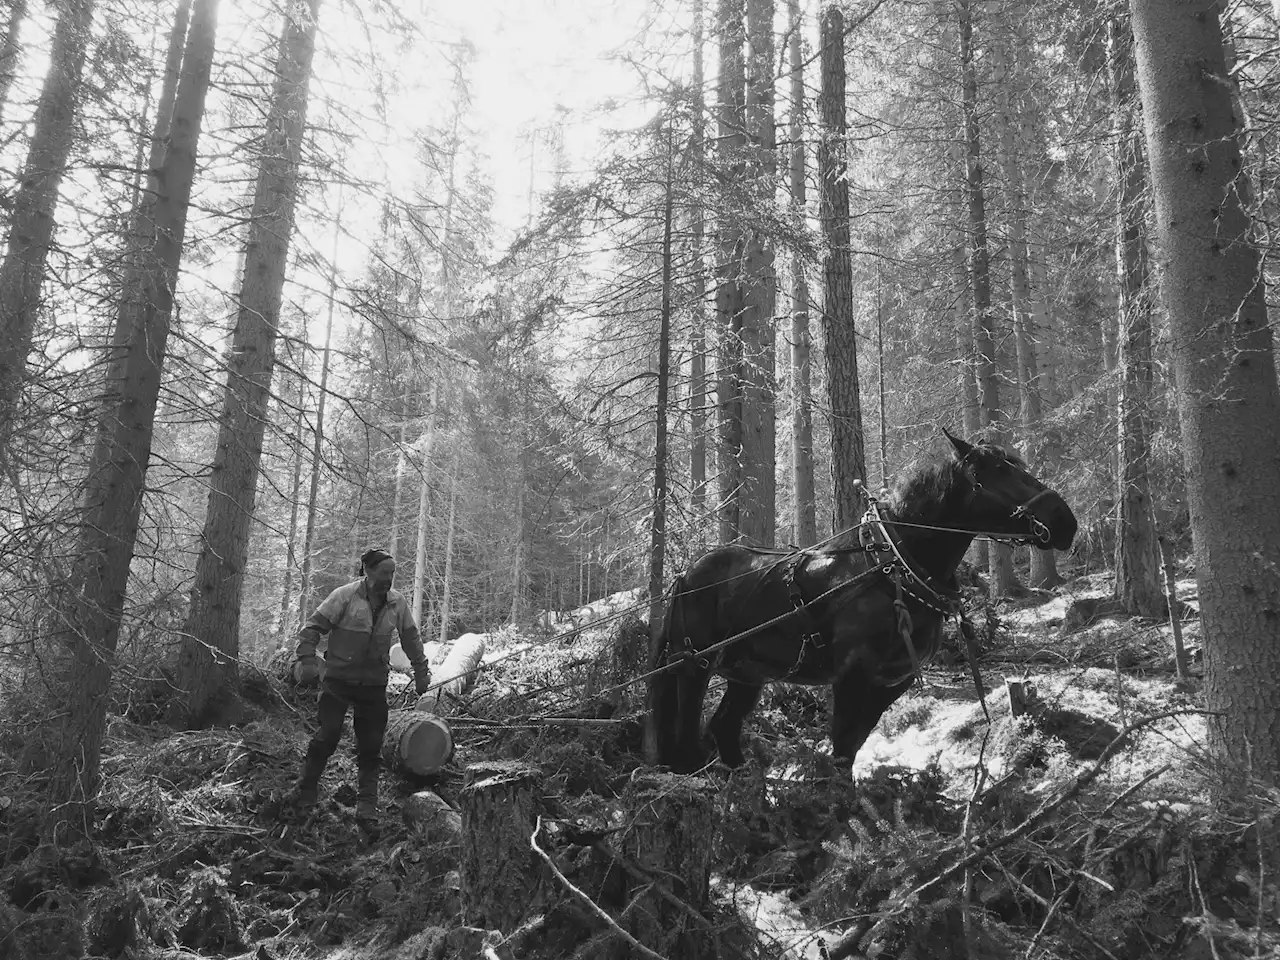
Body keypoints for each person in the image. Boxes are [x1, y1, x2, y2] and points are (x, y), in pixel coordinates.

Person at [292, 547, 431, 820]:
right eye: (383, 573)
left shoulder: (397, 603)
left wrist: (421, 670)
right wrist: (307, 659)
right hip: (338, 681)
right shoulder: (344, 596)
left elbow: (411, 639)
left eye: (392, 573)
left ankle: (367, 808)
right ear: (368, 572)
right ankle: (305, 789)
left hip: (373, 684)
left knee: (370, 747)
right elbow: (311, 629)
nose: (388, 579)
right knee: (327, 736)